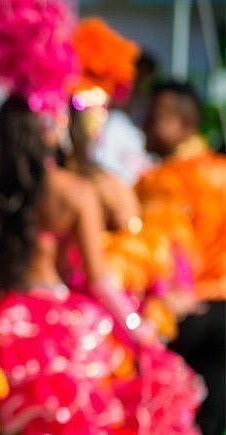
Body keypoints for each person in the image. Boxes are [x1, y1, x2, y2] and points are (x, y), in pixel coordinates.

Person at [0, 96, 203, 434]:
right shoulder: (75, 192)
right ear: (49, 131)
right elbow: (99, 279)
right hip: (56, 329)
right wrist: (138, 330)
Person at [137, 81, 226, 435]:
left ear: (186, 125)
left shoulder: (159, 182)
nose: (144, 125)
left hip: (184, 314)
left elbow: (160, 250)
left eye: (155, 117)